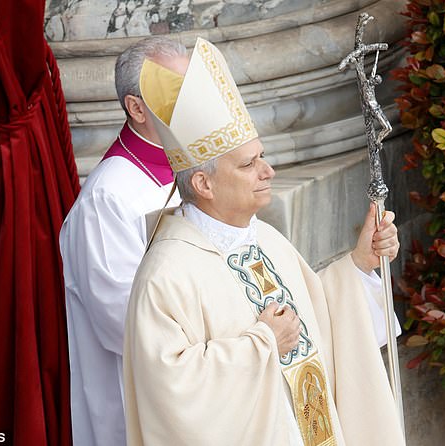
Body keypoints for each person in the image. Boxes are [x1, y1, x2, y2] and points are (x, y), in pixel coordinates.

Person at [123, 37, 405, 445]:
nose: (268, 171)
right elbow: (171, 394)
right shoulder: (165, 275)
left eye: (262, 156)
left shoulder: (266, 239)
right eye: (249, 164)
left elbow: (318, 320)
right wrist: (262, 345)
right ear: (203, 183)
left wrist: (359, 264)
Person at [58, 36, 187, 446]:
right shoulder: (106, 198)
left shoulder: (194, 166)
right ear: (136, 108)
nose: (195, 104)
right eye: (178, 92)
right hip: (140, 400)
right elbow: (124, 323)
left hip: (202, 377)